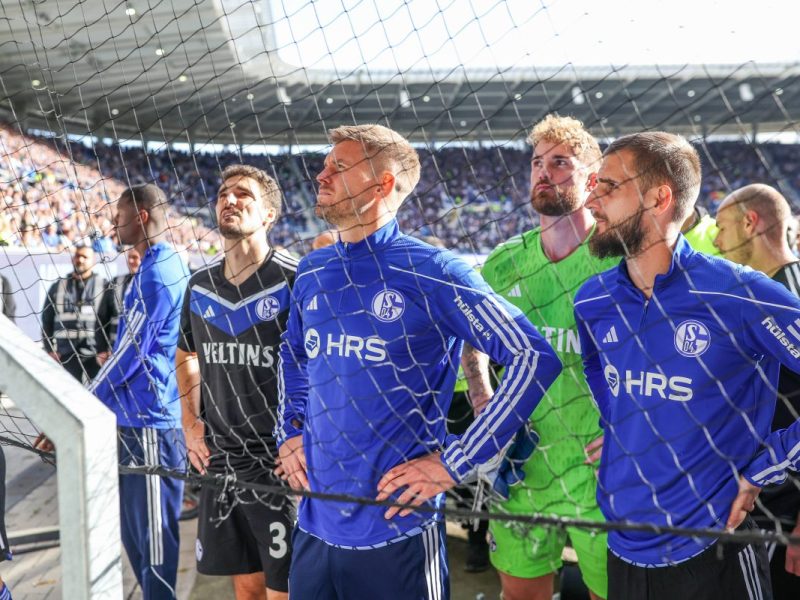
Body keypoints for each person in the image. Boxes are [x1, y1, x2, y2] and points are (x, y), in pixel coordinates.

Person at [276, 124, 562, 599]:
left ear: (382, 184)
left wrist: (457, 462)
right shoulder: (313, 270)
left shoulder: (435, 272)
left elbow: (533, 357)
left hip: (398, 531)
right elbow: (293, 355)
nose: (320, 174)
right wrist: (289, 431)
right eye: (326, 164)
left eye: (338, 166)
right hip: (314, 524)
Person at [574, 131, 800, 599]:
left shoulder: (739, 294)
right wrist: (620, 426)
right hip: (622, 545)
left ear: (659, 198)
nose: (590, 196)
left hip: (717, 548)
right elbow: (600, 373)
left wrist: (769, 465)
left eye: (609, 186)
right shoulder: (592, 300)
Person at [466, 114, 613, 600]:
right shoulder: (504, 263)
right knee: (520, 594)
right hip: (524, 463)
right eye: (536, 162)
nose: (542, 172)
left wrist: (633, 423)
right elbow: (470, 336)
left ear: (592, 179)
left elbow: (660, 355)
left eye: (559, 162)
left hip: (600, 467)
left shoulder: (619, 262)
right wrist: (482, 389)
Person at [176, 165, 297, 600]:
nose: (229, 200)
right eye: (223, 193)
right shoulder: (199, 285)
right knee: (245, 590)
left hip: (279, 464)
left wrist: (304, 439)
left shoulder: (295, 279)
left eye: (243, 194)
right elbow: (186, 353)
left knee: (284, 591)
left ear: (269, 214)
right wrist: (191, 421)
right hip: (220, 461)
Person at [89, 183, 190, 599]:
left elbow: (130, 352)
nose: (114, 222)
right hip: (132, 420)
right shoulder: (148, 268)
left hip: (150, 425)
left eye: (120, 213)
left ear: (142, 216)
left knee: (154, 547)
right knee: (135, 540)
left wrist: (83, 399)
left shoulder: (160, 271)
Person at [713, 183, 800, 598]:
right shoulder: (762, 294)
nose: (715, 240)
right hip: (760, 499)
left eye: (722, 227)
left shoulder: (787, 298)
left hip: (782, 512)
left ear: (751, 223)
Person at [41, 243, 105, 382]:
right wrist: (50, 350)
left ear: (93, 260)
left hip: (94, 354)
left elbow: (110, 319)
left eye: (85, 257)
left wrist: (106, 350)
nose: (80, 259)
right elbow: (46, 320)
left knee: (96, 397)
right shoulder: (58, 286)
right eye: (77, 256)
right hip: (65, 353)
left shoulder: (103, 286)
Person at [96, 247, 141, 365]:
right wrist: (101, 349)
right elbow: (102, 318)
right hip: (115, 351)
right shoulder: (115, 283)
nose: (131, 261)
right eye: (130, 257)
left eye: (135, 258)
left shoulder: (153, 284)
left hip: (140, 352)